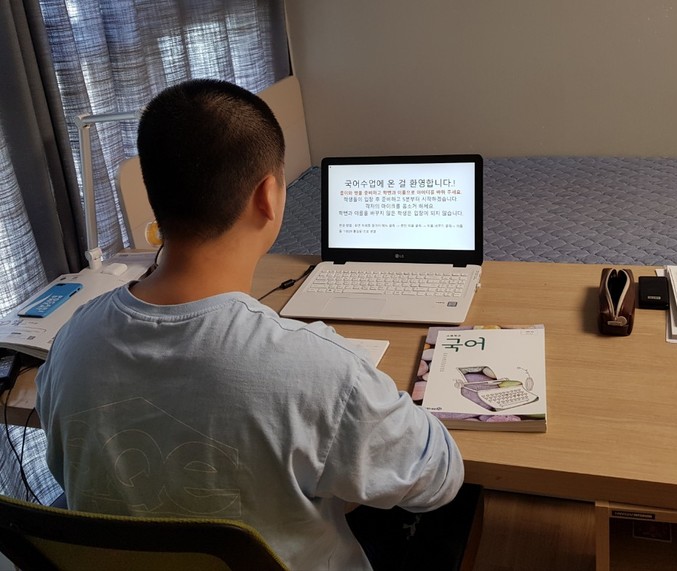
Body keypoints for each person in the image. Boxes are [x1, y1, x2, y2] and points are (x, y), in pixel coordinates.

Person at [35, 79, 472, 570]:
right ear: (268, 195)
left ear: (155, 196)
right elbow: (439, 479)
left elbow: (65, 469)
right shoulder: (322, 370)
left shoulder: (71, 341)